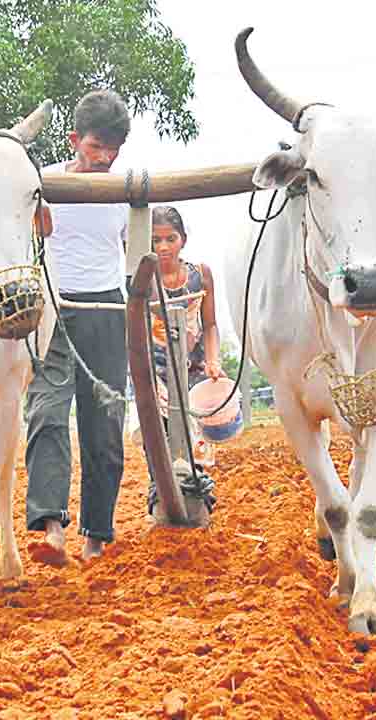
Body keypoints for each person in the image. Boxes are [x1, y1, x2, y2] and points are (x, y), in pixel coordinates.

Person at [25, 89, 131, 564]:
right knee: (46, 413)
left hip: (107, 309)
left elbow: (136, 248)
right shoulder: (43, 182)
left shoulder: (128, 187)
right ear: (74, 140)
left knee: (104, 423)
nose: (105, 157)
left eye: (113, 149)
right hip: (53, 307)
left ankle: (95, 536)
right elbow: (28, 231)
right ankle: (51, 529)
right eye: (95, 148)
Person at [145, 205, 224, 515]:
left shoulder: (199, 276)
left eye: (170, 238)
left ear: (183, 240)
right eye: (155, 241)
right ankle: (161, 501)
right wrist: (147, 378)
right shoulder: (143, 281)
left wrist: (213, 359)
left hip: (193, 367)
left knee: (196, 438)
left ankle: (198, 498)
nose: (163, 247)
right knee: (159, 439)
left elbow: (211, 325)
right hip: (156, 369)